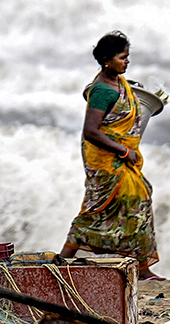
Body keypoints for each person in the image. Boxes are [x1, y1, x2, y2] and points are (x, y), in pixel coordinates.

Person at [59, 31, 162, 280]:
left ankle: (141, 266)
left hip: (118, 157)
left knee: (140, 197)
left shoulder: (121, 84)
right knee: (98, 209)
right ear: (107, 60)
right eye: (122, 57)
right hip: (105, 160)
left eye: (127, 57)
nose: (127, 62)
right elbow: (91, 131)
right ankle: (64, 257)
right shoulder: (103, 90)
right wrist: (124, 150)